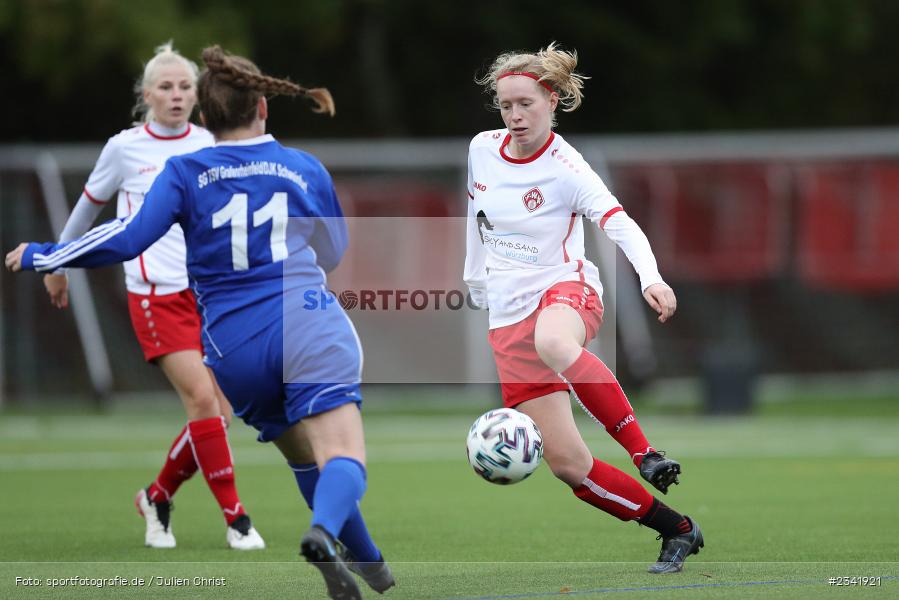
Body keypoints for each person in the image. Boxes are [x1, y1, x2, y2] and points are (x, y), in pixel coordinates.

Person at [7, 45, 393, 600]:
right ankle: (325, 533)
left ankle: (372, 566)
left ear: (204, 118)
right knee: (343, 454)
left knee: (305, 459)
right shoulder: (303, 167)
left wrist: (47, 253)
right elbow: (334, 251)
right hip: (304, 324)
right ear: (263, 105)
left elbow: (129, 236)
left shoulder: (186, 170)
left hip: (232, 346)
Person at [464, 43, 704, 574]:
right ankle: (677, 529)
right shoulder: (482, 149)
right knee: (570, 467)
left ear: (551, 100)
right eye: (506, 105)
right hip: (507, 316)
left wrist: (651, 278)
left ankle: (645, 453)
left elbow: (619, 223)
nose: (515, 115)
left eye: (526, 103)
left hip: (565, 289)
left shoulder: (567, 167)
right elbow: (477, 219)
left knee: (555, 342)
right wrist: (473, 279)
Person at [40, 42, 263, 551]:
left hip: (207, 294)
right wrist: (56, 262)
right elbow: (88, 208)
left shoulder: (209, 141)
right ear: (146, 95)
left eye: (185, 86)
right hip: (154, 295)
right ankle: (236, 517)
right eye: (165, 87)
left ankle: (157, 496)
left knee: (218, 415)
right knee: (204, 400)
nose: (177, 95)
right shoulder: (125, 148)